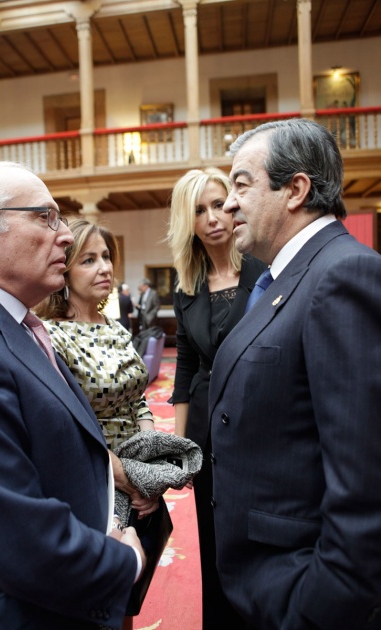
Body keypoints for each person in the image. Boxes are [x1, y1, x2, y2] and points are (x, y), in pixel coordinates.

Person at [209, 118, 381, 630]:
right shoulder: (285, 277)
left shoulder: (343, 274)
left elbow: (365, 480)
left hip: (297, 593)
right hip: (261, 580)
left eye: (242, 184)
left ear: (296, 190)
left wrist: (318, 606)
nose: (228, 204)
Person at [0, 161, 146, 630]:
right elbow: (14, 532)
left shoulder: (13, 322)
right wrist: (125, 563)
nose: (65, 235)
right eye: (45, 218)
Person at [35, 219, 158, 630]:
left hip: (136, 474)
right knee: (99, 600)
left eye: (106, 257)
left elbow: (139, 397)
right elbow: (65, 423)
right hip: (92, 479)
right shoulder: (51, 337)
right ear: (65, 273)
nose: (104, 267)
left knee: (130, 593)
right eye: (88, 260)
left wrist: (151, 461)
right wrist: (126, 477)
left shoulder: (116, 328)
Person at [166, 167, 266, 630]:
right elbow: (185, 369)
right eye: (199, 210)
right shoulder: (186, 286)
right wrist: (181, 449)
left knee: (259, 535)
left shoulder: (266, 270)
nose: (212, 218)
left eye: (217, 203)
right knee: (212, 536)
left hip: (259, 419)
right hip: (207, 429)